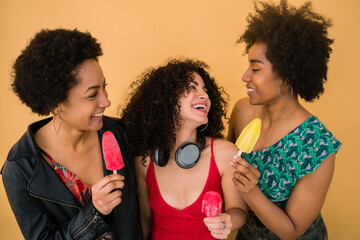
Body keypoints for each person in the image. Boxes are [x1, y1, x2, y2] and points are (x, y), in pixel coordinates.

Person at [1, 29, 142, 240]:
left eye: (105, 88)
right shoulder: (21, 169)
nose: (106, 102)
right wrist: (94, 214)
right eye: (92, 94)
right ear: (56, 102)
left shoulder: (119, 132)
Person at [227, 1, 342, 239]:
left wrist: (251, 191)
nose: (244, 76)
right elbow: (223, 164)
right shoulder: (242, 111)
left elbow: (292, 231)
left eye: (256, 69)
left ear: (286, 76)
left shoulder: (317, 146)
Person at [121, 59, 247, 240]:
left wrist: (228, 220)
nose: (204, 95)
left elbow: (239, 211)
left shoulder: (225, 152)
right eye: (192, 87)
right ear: (164, 99)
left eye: (205, 90)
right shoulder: (144, 161)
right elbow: (145, 223)